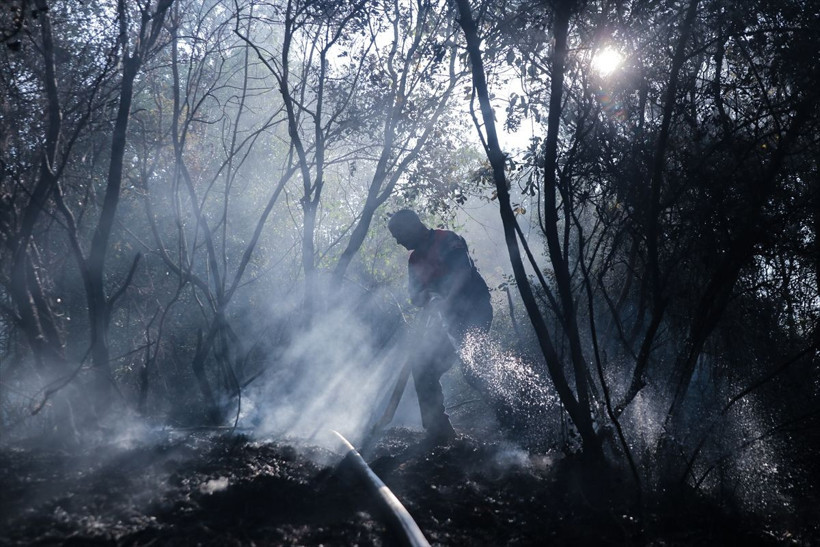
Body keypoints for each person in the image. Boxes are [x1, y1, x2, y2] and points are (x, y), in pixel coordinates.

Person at [388, 209, 492, 444]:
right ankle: (439, 433)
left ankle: (511, 415)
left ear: (412, 226)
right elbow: (415, 297)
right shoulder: (414, 259)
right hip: (448, 320)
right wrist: (430, 297)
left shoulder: (447, 240)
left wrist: (441, 297)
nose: (397, 240)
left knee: (473, 369)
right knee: (423, 368)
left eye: (398, 234)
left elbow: (462, 273)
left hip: (474, 311)